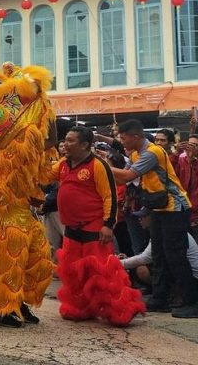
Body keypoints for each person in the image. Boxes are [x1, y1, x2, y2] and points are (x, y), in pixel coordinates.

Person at [51, 126, 145, 326]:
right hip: (71, 228)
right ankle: (80, 308)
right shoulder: (62, 164)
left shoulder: (98, 165)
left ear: (85, 145)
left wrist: (107, 225)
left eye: (70, 141)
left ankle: (121, 311)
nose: (65, 145)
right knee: (75, 273)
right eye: (65, 140)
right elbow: (44, 176)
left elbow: (109, 196)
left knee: (103, 273)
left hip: (94, 227)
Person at [109, 119, 198, 318]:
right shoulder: (135, 153)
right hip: (158, 207)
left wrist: (99, 166)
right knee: (158, 253)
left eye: (123, 138)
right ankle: (160, 298)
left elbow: (125, 176)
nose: (121, 142)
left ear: (136, 137)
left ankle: (192, 300)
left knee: (175, 254)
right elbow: (125, 175)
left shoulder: (152, 152)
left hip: (175, 207)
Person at [120, 208, 198, 294]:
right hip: (188, 274)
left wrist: (118, 263)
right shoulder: (161, 229)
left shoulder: (166, 230)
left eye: (144, 216)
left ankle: (174, 292)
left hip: (192, 278)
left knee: (142, 269)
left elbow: (145, 258)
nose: (140, 219)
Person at [176, 134, 198, 241]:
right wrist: (177, 153)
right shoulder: (180, 161)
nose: (191, 148)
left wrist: (193, 160)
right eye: (189, 145)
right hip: (182, 213)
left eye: (195, 145)